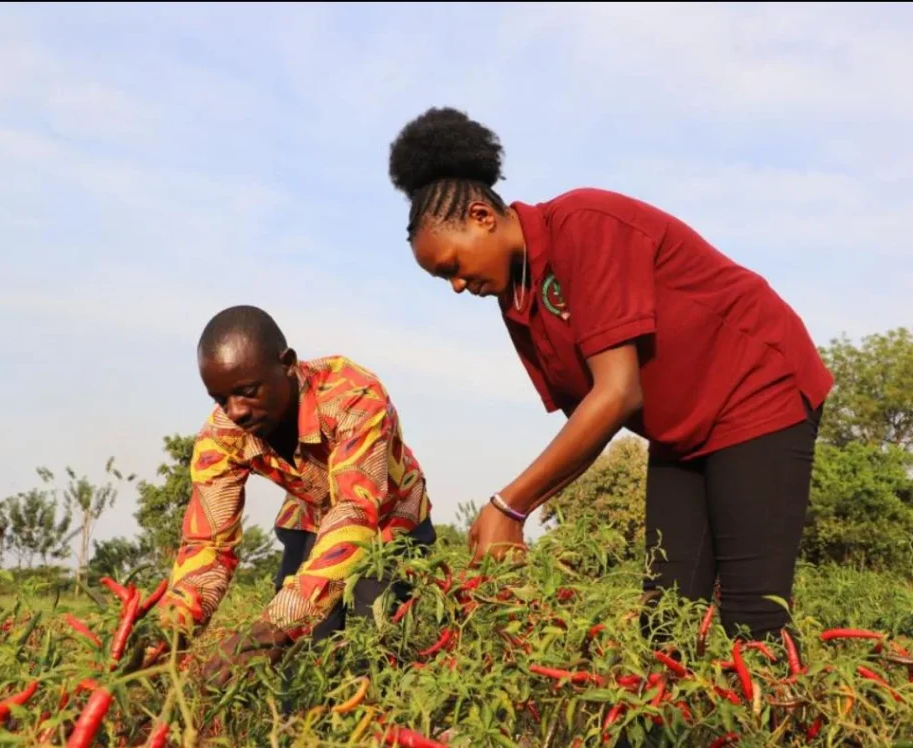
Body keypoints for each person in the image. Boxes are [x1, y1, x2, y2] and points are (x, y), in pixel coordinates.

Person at [385, 107, 833, 644]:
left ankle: (780, 721)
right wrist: (517, 513)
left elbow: (618, 392)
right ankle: (679, 730)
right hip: (682, 433)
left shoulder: (584, 225)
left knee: (752, 617)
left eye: (452, 267)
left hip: (759, 391)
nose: (456, 286)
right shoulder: (518, 298)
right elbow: (591, 421)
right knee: (667, 618)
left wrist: (510, 505)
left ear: (482, 216)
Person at [159, 305, 436, 685]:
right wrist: (169, 635)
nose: (236, 411)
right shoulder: (221, 434)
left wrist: (275, 626)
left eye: (247, 392)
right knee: (303, 666)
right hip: (311, 516)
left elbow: (356, 514)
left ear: (287, 364)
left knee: (373, 648)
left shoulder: (351, 395)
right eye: (220, 399)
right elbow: (208, 543)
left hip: (389, 521)